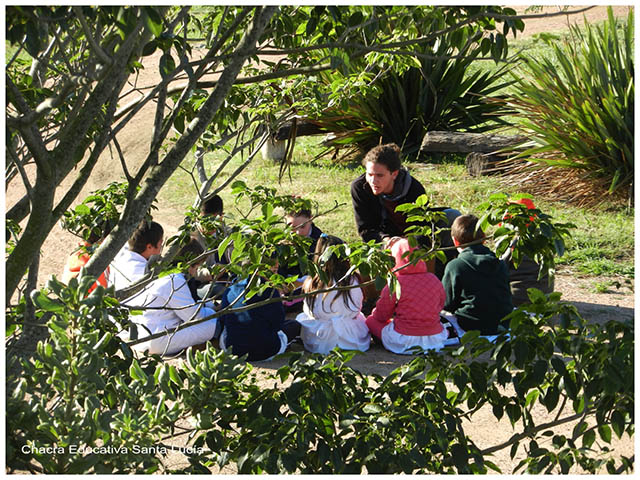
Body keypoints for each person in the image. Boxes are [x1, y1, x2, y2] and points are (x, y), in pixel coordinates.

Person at [350, 142, 459, 279]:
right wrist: (388, 241)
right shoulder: (360, 188)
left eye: (380, 175)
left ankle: (444, 273)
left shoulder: (413, 187)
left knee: (453, 216)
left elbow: (423, 226)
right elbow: (365, 229)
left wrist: (409, 242)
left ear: (394, 174)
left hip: (414, 237)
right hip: (384, 239)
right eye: (369, 174)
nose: (373, 181)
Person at [126, 238, 219, 356]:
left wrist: (208, 305)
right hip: (155, 340)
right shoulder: (175, 279)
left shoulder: (159, 271)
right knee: (212, 322)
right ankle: (215, 345)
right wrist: (213, 310)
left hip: (141, 336)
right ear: (189, 264)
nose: (195, 272)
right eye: (196, 267)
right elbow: (194, 317)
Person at [365, 238, 450, 354]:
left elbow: (381, 315)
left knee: (370, 321)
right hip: (435, 338)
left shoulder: (395, 283)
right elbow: (440, 304)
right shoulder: (433, 279)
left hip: (404, 339)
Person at [295, 234, 370, 354]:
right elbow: (357, 307)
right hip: (350, 338)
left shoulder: (311, 282)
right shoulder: (353, 280)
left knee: (301, 317)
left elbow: (309, 311)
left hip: (319, 338)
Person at [441, 214, 513, 336]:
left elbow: (447, 304)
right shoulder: (498, 262)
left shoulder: (455, 265)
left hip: (470, 324)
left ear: (455, 241)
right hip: (503, 322)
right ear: (484, 238)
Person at [217, 275, 301, 362]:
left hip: (233, 350)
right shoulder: (271, 292)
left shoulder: (230, 289)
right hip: (266, 352)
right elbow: (278, 324)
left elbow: (222, 320)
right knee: (294, 325)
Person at [501, 198, 555, 306]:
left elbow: (500, 267)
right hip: (545, 296)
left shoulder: (514, 240)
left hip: (518, 297)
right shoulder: (544, 236)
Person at [279, 206, 325, 312]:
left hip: (308, 282)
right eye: (293, 227)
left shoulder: (320, 240)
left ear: (311, 219)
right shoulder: (282, 241)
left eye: (303, 226)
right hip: (289, 282)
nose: (298, 232)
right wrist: (280, 283)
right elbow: (279, 265)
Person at [191, 194, 232, 299]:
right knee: (221, 291)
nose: (210, 225)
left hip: (230, 280)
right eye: (205, 220)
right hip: (203, 285)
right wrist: (211, 273)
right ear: (198, 217)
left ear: (221, 217)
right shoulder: (190, 238)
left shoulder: (228, 233)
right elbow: (184, 269)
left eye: (214, 221)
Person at [108, 220, 164, 291]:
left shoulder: (120, 255)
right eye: (160, 244)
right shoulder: (144, 272)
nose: (161, 248)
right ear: (149, 247)